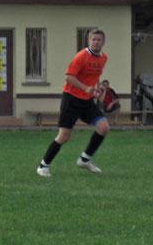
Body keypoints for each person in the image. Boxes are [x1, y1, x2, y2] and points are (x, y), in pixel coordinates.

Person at [36, 29, 110, 177]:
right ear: (89, 41)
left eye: (99, 40)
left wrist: (97, 90)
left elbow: (95, 76)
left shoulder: (103, 58)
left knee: (104, 127)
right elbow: (69, 77)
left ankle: (84, 159)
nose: (96, 42)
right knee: (64, 136)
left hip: (87, 100)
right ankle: (43, 166)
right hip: (71, 99)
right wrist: (86, 88)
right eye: (94, 39)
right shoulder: (81, 56)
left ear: (103, 42)